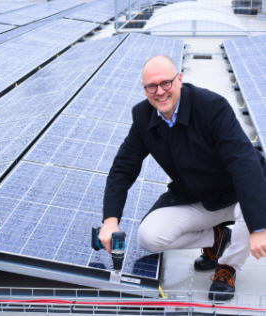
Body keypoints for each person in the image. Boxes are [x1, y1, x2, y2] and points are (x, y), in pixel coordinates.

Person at [99, 55, 266, 302]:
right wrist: (110, 220)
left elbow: (245, 166)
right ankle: (217, 237)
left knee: (253, 215)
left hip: (241, 191)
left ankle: (227, 268)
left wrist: (258, 228)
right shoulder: (144, 116)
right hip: (196, 195)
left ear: (179, 79)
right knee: (149, 237)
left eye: (165, 83)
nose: (159, 92)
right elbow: (123, 168)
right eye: (151, 86)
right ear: (144, 89)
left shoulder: (211, 107)